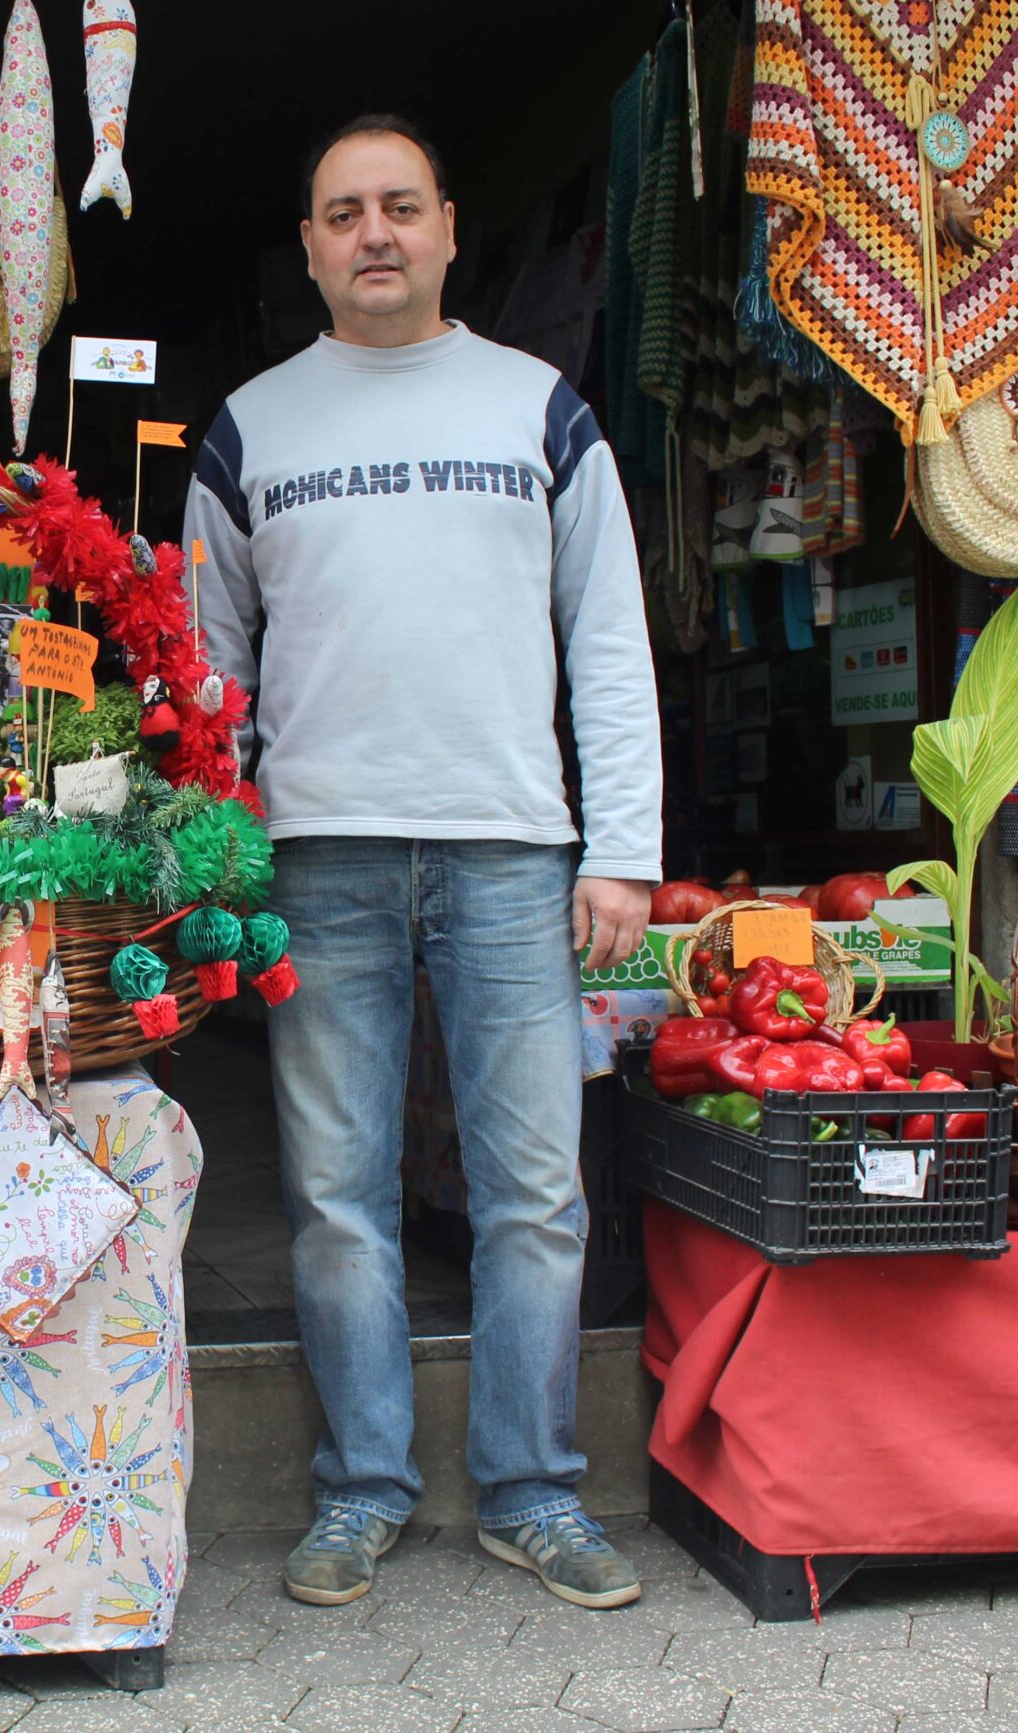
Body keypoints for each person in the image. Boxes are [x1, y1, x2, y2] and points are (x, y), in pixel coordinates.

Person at [185, 115, 661, 1612]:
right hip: (318, 856)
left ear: (452, 227)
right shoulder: (251, 429)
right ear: (312, 244)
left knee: (537, 1191)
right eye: (343, 212)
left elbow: (609, 645)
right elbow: (210, 680)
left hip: (515, 850)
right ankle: (361, 1492)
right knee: (338, 1191)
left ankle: (533, 1492)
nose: (374, 233)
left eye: (400, 207)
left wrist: (625, 850)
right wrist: (222, 851)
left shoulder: (543, 410)